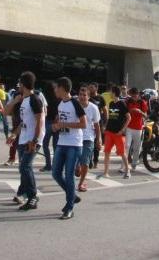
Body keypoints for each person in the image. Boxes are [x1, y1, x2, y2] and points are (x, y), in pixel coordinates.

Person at [5, 71, 45, 211]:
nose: (18, 87)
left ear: (23, 84)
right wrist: (14, 134)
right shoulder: (24, 100)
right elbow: (23, 122)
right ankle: (26, 194)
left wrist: (34, 140)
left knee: (25, 167)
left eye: (20, 84)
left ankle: (33, 196)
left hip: (32, 140)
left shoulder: (35, 99)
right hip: (23, 138)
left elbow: (40, 121)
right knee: (24, 168)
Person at [50, 77, 86, 220]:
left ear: (63, 88)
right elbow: (60, 120)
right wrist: (56, 125)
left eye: (56, 88)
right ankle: (72, 196)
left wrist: (64, 125)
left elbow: (83, 124)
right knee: (55, 173)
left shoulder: (75, 103)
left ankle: (69, 207)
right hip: (62, 142)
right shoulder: (60, 104)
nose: (55, 90)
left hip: (74, 144)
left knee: (69, 175)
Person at [98, 89, 130, 179]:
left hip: (118, 133)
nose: (110, 94)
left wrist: (123, 130)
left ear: (115, 93)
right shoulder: (111, 103)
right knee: (107, 152)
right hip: (109, 131)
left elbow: (129, 117)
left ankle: (127, 171)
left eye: (111, 92)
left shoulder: (122, 104)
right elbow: (110, 117)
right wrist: (105, 126)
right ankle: (105, 172)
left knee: (122, 153)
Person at [77, 85, 102, 192]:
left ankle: (81, 184)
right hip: (75, 137)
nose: (82, 97)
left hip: (88, 138)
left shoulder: (93, 108)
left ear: (88, 96)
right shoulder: (74, 105)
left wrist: (99, 139)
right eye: (80, 95)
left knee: (85, 162)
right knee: (76, 164)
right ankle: (77, 168)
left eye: (84, 95)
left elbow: (97, 125)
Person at [124, 87, 148, 172]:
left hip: (138, 127)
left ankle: (134, 164)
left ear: (138, 95)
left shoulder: (142, 103)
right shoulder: (127, 101)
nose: (133, 97)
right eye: (132, 95)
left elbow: (146, 115)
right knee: (126, 146)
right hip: (129, 127)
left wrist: (139, 111)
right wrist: (130, 111)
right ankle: (124, 165)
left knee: (136, 147)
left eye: (135, 95)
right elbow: (124, 113)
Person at [41, 83, 60, 172]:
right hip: (57, 122)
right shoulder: (59, 99)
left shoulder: (45, 98)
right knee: (56, 146)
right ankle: (56, 165)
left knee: (45, 145)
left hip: (47, 122)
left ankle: (48, 164)